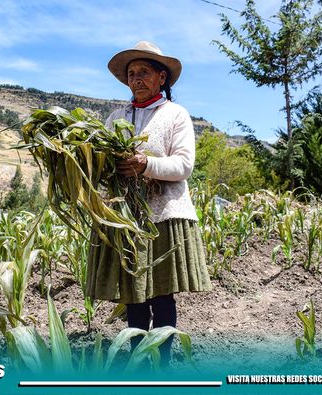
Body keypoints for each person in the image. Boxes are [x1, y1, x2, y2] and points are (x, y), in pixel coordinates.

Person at [86, 41, 212, 366]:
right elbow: (102, 165)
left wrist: (146, 164)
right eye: (131, 73)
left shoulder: (175, 115)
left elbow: (184, 166)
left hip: (164, 217)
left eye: (144, 72)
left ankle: (164, 360)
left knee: (161, 293)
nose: (136, 78)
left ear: (161, 78)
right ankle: (139, 359)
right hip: (127, 218)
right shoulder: (116, 118)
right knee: (134, 293)